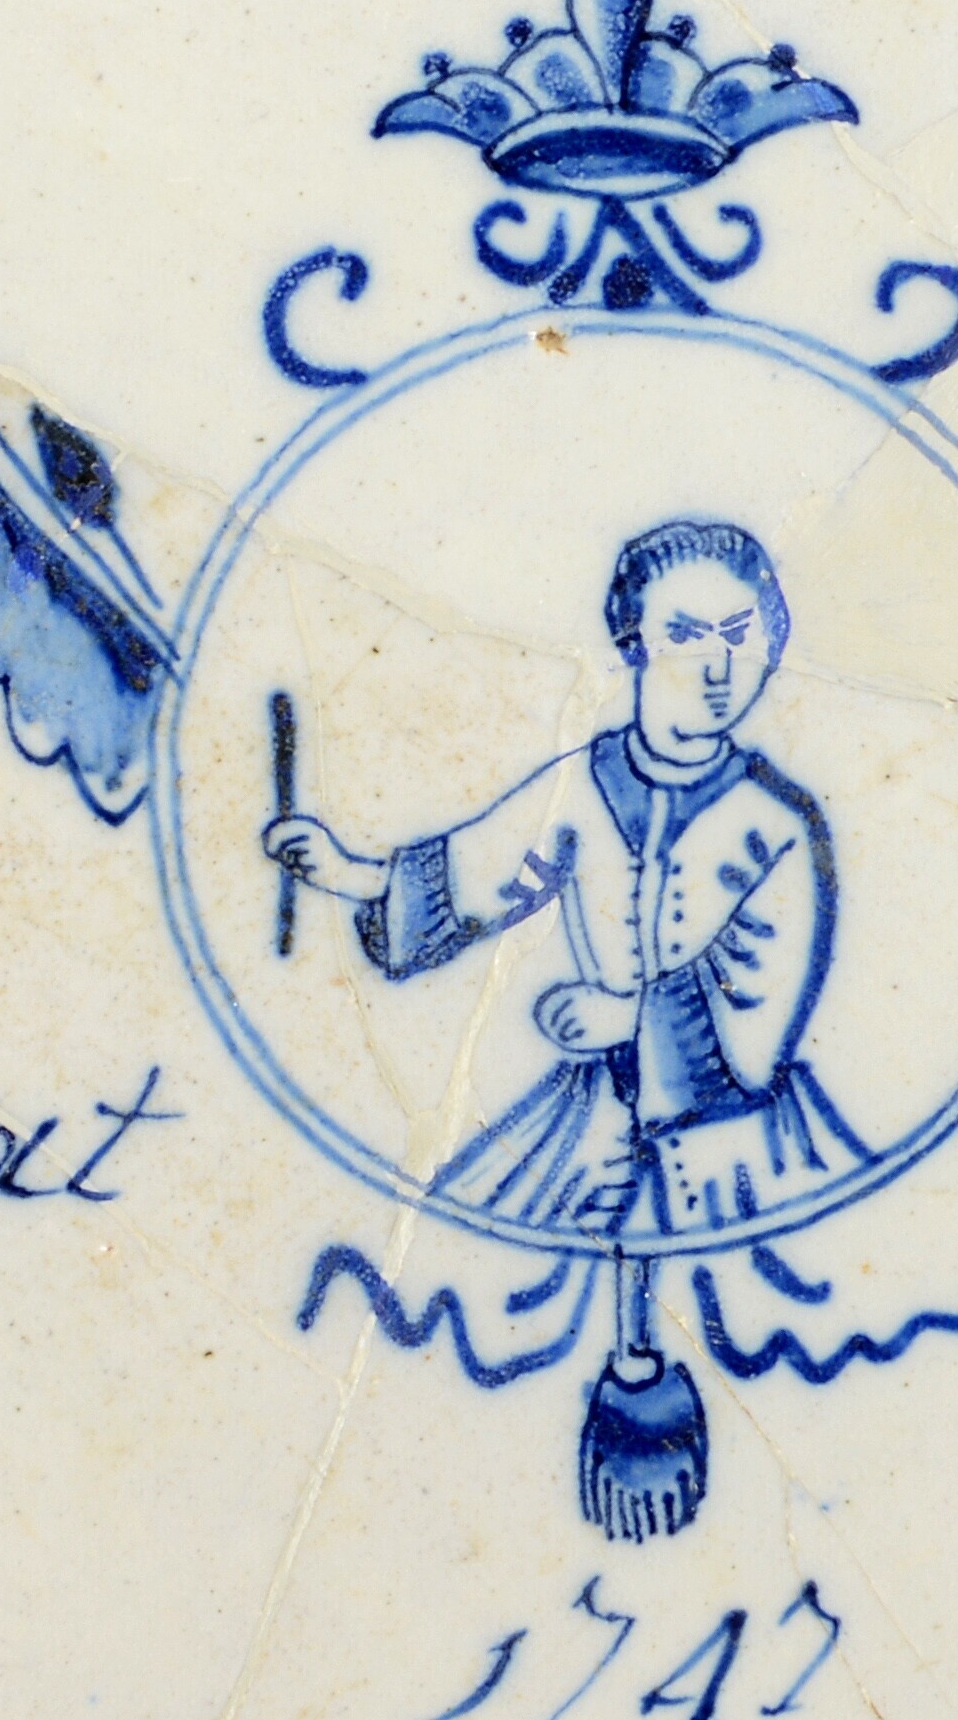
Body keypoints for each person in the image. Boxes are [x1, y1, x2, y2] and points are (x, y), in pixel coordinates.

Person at [266, 520, 865, 1535]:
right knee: (513, 1278)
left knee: (752, 1303)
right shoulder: (585, 784)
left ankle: (681, 1445)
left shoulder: (778, 822)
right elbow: (486, 870)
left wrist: (632, 1015)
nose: (717, 666)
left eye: (739, 634)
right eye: (685, 635)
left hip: (729, 1126)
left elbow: (762, 1025)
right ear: (632, 643)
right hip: (596, 1109)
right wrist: (359, 876)